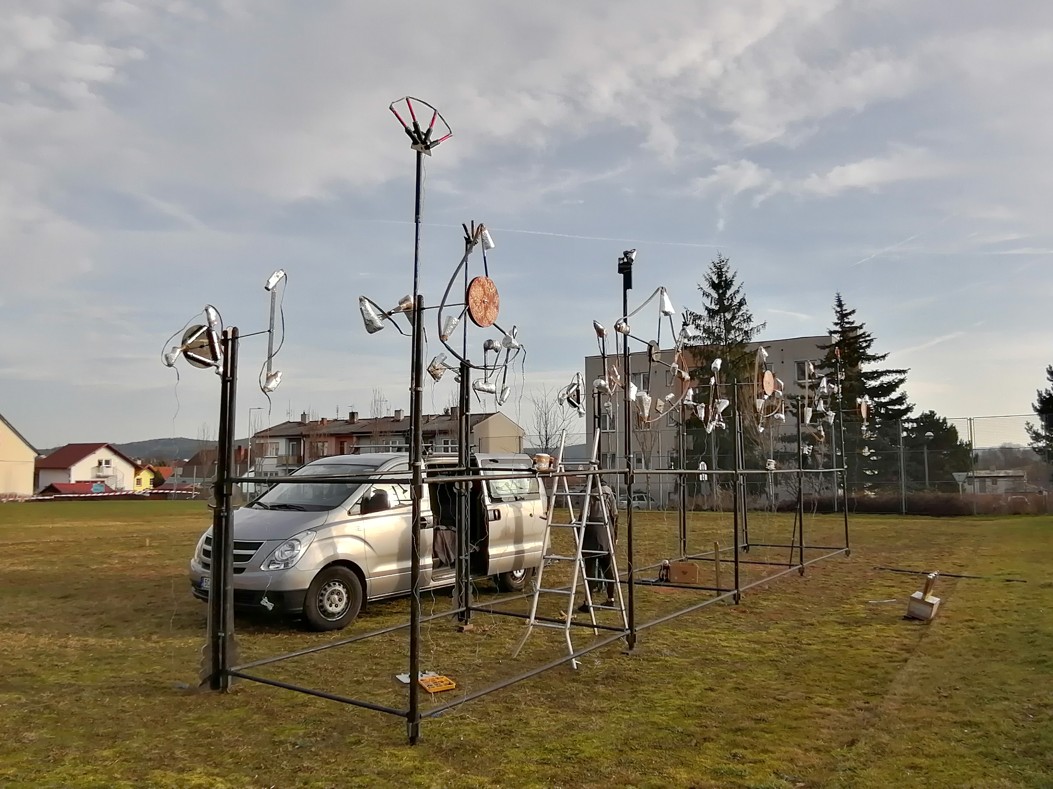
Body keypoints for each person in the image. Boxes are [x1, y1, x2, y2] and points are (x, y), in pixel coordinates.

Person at [579, 481, 618, 612]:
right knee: (607, 566)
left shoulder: (588, 492)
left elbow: (584, 515)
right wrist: (615, 535)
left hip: (592, 529)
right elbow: (614, 514)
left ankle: (588, 602)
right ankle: (611, 599)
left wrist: (579, 533)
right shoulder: (608, 490)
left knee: (589, 568)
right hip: (607, 528)